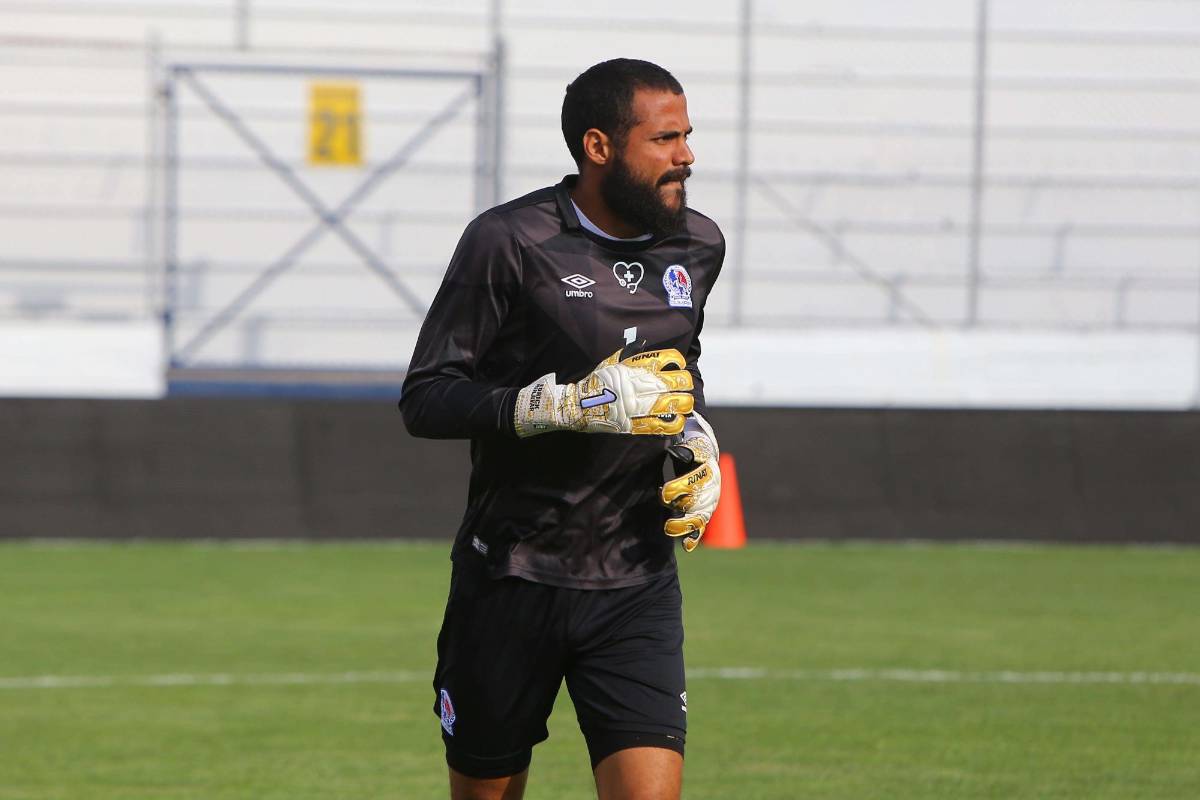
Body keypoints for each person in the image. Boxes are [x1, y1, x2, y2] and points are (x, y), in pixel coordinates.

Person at [399, 58, 725, 800]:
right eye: (666, 139)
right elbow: (426, 397)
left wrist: (696, 440)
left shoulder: (699, 247)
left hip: (636, 579)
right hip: (512, 575)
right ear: (599, 147)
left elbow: (683, 369)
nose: (687, 156)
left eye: (688, 136)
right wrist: (553, 406)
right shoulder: (507, 241)